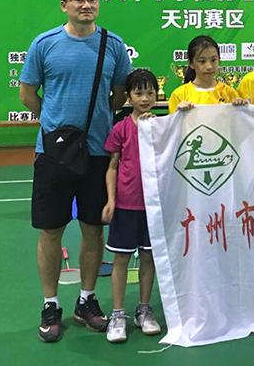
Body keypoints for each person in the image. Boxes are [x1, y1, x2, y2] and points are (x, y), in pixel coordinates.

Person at [20, 0, 132, 342]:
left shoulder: (114, 45)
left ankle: (86, 300)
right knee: (51, 230)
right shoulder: (45, 44)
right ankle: (50, 304)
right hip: (53, 155)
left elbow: (118, 96)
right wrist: (54, 126)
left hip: (98, 153)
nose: (87, 5)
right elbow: (27, 94)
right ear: (64, 5)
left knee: (93, 228)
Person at [101, 69, 161, 343]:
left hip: (153, 207)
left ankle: (144, 310)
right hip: (126, 206)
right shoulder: (120, 128)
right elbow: (112, 167)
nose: (145, 98)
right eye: (139, 93)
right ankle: (117, 315)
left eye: (150, 92)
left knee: (148, 258)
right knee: (121, 260)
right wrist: (111, 200)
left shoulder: (162, 127)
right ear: (129, 97)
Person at [168, 35, 246, 113]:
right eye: (202, 61)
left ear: (219, 59)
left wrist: (240, 109)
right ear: (191, 63)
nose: (209, 66)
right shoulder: (179, 95)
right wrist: (178, 113)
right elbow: (173, 120)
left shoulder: (230, 93)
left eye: (213, 60)